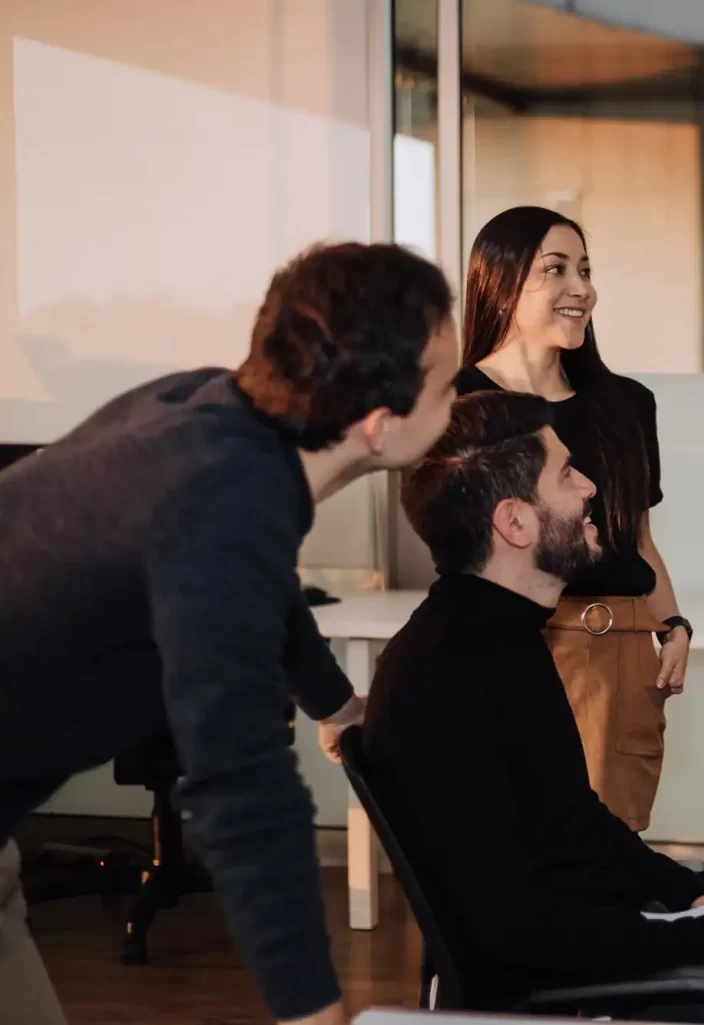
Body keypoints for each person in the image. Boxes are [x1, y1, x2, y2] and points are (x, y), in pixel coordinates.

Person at [0, 243, 459, 1025]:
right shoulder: (228, 501)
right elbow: (240, 780)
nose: (458, 400)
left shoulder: (213, 412)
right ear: (378, 426)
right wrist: (312, 1007)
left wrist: (332, 701)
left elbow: (261, 587)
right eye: (448, 386)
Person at [365, 390, 704, 1025]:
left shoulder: (503, 639)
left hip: (618, 947)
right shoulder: (442, 677)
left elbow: (576, 830)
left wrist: (701, 899)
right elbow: (514, 930)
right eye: (566, 473)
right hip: (578, 981)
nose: (591, 486)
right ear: (514, 523)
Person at [452, 206, 685, 832]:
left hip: (619, 651)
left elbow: (639, 541)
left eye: (584, 269)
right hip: (509, 649)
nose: (581, 288)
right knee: (512, 849)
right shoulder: (461, 405)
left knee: (610, 851)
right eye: (555, 269)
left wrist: (675, 625)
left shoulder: (627, 405)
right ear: (498, 282)